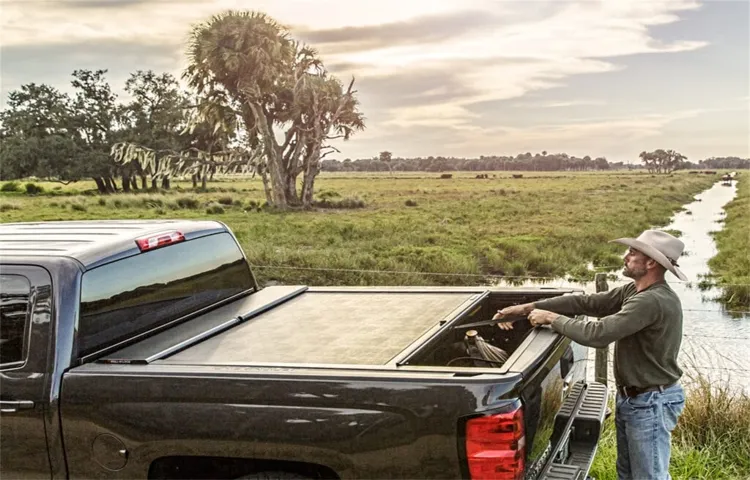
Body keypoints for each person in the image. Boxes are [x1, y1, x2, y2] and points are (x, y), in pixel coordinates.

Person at [493, 229, 687, 480]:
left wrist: (551, 318)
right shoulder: (634, 291)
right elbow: (587, 303)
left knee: (649, 476)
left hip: (651, 402)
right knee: (628, 473)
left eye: (633, 252)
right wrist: (527, 308)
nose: (625, 256)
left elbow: (598, 334)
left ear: (651, 262)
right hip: (637, 399)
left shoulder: (651, 301)